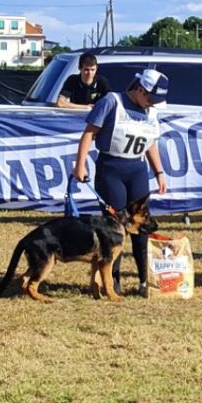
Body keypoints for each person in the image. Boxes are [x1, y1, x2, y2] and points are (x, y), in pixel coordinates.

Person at [71, 68, 170, 297]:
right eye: (150, 98)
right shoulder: (111, 101)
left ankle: (145, 280)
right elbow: (89, 133)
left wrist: (159, 172)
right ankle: (111, 282)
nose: (152, 104)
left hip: (137, 170)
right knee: (112, 230)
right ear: (139, 89)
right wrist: (80, 164)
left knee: (141, 228)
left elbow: (150, 142)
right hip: (111, 169)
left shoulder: (151, 111)